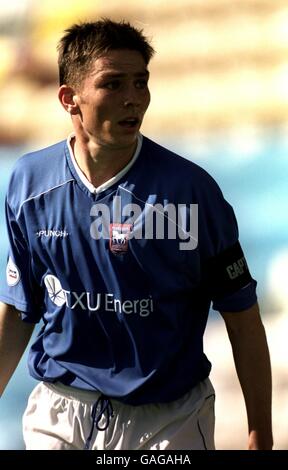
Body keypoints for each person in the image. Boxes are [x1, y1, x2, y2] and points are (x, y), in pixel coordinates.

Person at [0, 19, 273, 451]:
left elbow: (242, 318)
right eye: (113, 84)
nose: (133, 99)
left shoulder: (191, 193)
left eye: (141, 83)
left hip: (169, 419)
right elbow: (17, 311)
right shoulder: (29, 184)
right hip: (59, 412)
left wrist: (260, 431)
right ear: (70, 99)